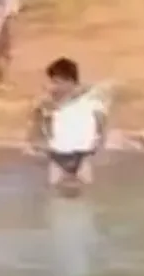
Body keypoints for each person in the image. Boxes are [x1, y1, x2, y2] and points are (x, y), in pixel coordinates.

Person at [32, 58, 107, 190]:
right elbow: (38, 127)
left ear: (70, 81)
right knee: (55, 196)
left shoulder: (90, 100)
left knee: (85, 197)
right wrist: (39, 144)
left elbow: (101, 123)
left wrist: (99, 144)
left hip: (83, 156)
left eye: (57, 82)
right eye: (52, 82)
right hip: (57, 156)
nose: (53, 86)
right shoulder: (47, 105)